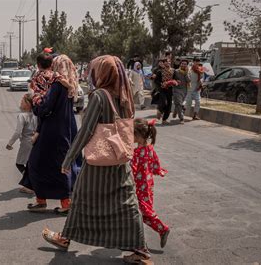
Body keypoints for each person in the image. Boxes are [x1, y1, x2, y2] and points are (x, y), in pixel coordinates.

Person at [41, 55, 149, 264]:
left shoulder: (99, 96)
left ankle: (65, 238)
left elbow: (86, 131)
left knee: (82, 198)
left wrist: (68, 159)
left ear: (101, 73)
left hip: (98, 161)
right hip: (119, 160)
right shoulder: (124, 96)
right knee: (127, 203)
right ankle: (141, 251)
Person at [22, 54, 78, 214]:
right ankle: (44, 201)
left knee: (39, 164)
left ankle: (61, 203)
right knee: (55, 165)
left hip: (52, 131)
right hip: (63, 130)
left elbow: (44, 108)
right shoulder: (69, 85)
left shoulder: (57, 85)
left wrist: (34, 98)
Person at [131, 118, 170, 249]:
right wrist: (158, 171)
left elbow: (132, 170)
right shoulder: (149, 149)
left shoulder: (136, 153)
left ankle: (163, 229)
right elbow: (155, 165)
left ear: (139, 135)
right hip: (148, 186)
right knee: (143, 214)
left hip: (139, 188)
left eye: (132, 134)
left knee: (144, 212)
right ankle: (139, 241)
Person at [6, 94, 37, 194]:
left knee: (19, 163)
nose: (20, 103)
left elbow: (18, 132)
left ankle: (30, 184)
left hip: (26, 143)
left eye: (22, 101)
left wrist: (10, 143)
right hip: (36, 142)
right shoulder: (37, 115)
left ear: (28, 104)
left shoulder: (22, 116)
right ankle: (31, 184)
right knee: (30, 164)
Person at [156, 59, 176, 125]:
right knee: (164, 102)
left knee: (169, 105)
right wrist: (161, 84)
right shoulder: (160, 71)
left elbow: (175, 79)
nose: (168, 63)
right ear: (164, 63)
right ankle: (159, 110)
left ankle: (164, 119)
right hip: (162, 89)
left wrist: (174, 82)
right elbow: (156, 80)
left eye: (169, 61)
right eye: (166, 62)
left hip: (170, 89)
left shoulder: (173, 70)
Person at [172, 60, 190, 124]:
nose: (183, 65)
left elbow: (188, 80)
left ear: (187, 65)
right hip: (176, 89)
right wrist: (176, 81)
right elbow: (172, 78)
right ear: (180, 64)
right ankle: (181, 118)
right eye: (182, 63)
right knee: (179, 103)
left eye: (185, 64)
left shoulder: (188, 72)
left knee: (179, 103)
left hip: (184, 90)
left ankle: (175, 111)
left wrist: (186, 74)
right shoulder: (176, 71)